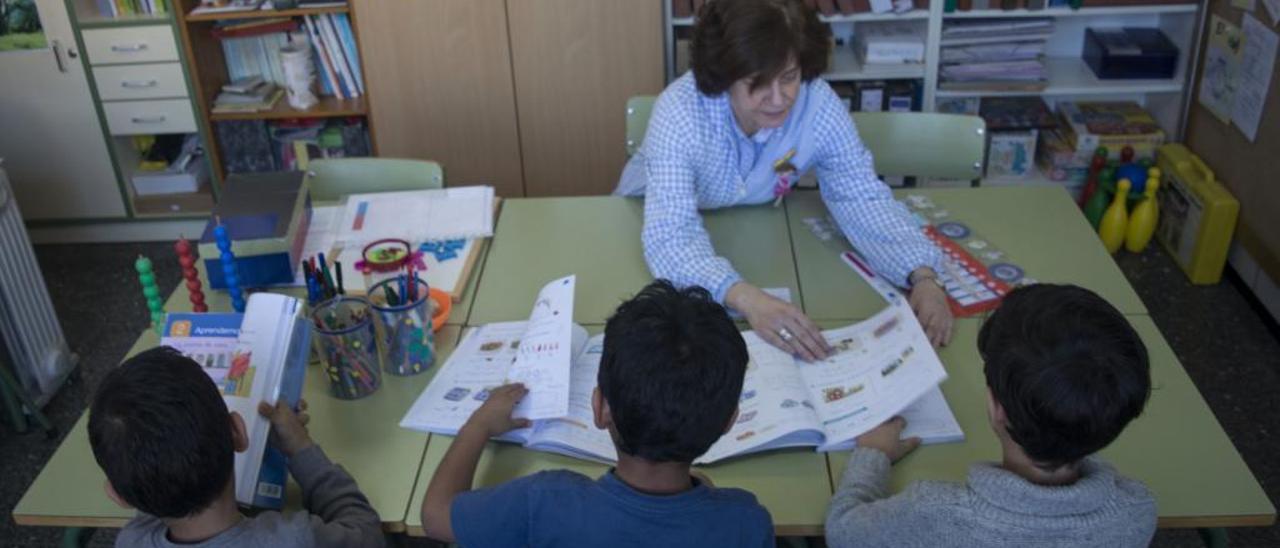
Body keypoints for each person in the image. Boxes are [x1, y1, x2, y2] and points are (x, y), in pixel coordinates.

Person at [618, 0, 952, 359]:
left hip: (756, 228)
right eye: (757, 83)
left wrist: (922, 275)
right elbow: (670, 234)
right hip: (642, 211)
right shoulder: (680, 111)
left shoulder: (817, 104)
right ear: (725, 73)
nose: (779, 99)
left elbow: (859, 194)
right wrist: (745, 297)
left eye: (789, 77)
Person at [420, 280, 774, 547]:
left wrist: (478, 425)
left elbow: (436, 517)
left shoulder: (545, 501)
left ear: (600, 408)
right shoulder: (746, 522)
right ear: (729, 421)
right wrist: (703, 487)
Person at [824, 284, 1156, 547]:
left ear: (997, 408)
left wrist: (873, 454)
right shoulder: (1137, 509)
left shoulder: (931, 510)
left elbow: (844, 531)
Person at [88, 346, 384, 548]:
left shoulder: (131, 541)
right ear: (239, 433)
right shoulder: (293, 539)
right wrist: (301, 449)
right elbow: (367, 532)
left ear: (118, 495)